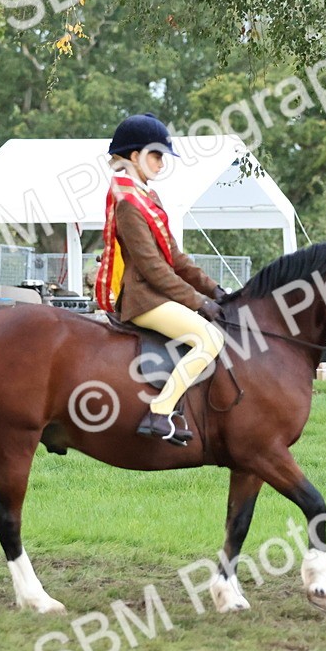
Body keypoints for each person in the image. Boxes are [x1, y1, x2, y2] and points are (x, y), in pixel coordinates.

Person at [95, 113, 225, 445]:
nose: (161, 163)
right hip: (144, 299)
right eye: (156, 155)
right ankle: (160, 412)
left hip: (158, 294)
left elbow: (176, 259)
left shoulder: (148, 198)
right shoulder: (128, 204)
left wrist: (215, 291)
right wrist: (199, 303)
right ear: (135, 156)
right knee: (209, 339)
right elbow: (153, 269)